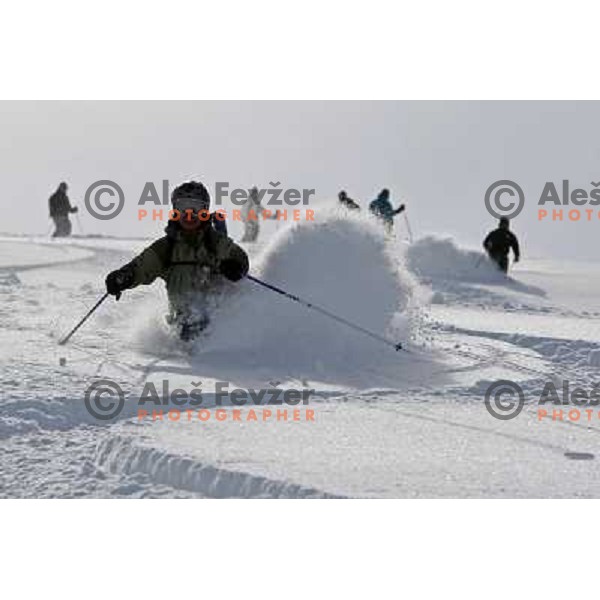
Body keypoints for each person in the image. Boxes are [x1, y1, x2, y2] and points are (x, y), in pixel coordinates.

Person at [105, 181, 249, 341]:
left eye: (195, 208)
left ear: (204, 211)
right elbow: (143, 267)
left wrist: (235, 266)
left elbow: (238, 257)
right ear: (175, 211)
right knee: (185, 334)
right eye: (182, 207)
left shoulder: (215, 242)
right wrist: (124, 277)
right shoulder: (167, 247)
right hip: (180, 326)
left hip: (216, 327)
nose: (189, 214)